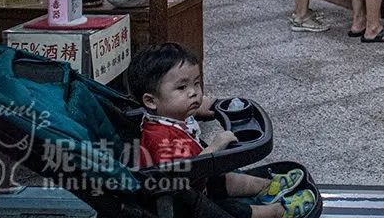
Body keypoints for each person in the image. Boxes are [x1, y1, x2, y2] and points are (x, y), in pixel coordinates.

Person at [127, 43, 316, 218]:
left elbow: (174, 114)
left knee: (222, 178)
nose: (194, 92)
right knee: (230, 211)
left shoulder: (163, 114)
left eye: (197, 83)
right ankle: (277, 212)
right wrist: (216, 146)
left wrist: (196, 110)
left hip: (197, 186)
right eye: (182, 87)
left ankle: (265, 187)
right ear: (151, 101)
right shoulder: (160, 138)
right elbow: (187, 170)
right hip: (183, 202)